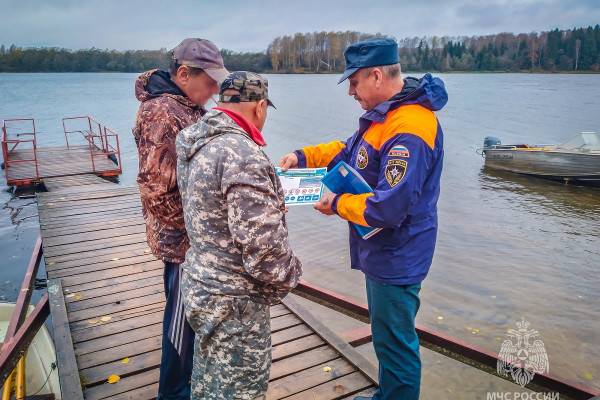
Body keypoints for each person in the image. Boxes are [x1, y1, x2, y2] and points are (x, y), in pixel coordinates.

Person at [279, 38, 448, 400]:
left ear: (375, 75)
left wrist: (338, 204)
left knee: (395, 345)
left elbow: (388, 208)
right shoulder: (387, 114)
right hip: (383, 251)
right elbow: (349, 150)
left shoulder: (410, 128)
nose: (351, 92)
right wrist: (303, 156)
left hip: (398, 254)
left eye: (353, 82)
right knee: (387, 336)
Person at [176, 71, 302, 400]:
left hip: (201, 285)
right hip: (235, 305)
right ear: (260, 107)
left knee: (208, 382)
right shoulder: (242, 154)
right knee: (239, 392)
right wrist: (291, 276)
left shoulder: (195, 140)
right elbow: (265, 253)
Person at [132, 38, 228, 399]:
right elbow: (156, 190)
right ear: (184, 74)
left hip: (193, 238)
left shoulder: (187, 106)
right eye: (210, 81)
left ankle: (186, 384)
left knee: (189, 316)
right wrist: (201, 232)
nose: (216, 89)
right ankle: (172, 393)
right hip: (182, 242)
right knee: (180, 320)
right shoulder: (162, 112)